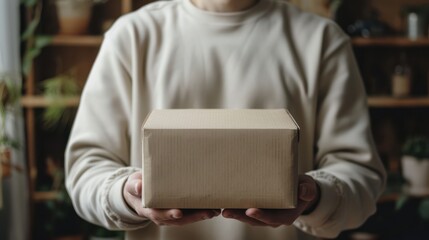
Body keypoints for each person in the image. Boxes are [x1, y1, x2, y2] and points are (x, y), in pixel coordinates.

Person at [65, 0, 386, 239]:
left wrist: (314, 197)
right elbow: (87, 168)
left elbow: (361, 175)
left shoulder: (321, 40)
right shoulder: (132, 36)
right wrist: (125, 194)